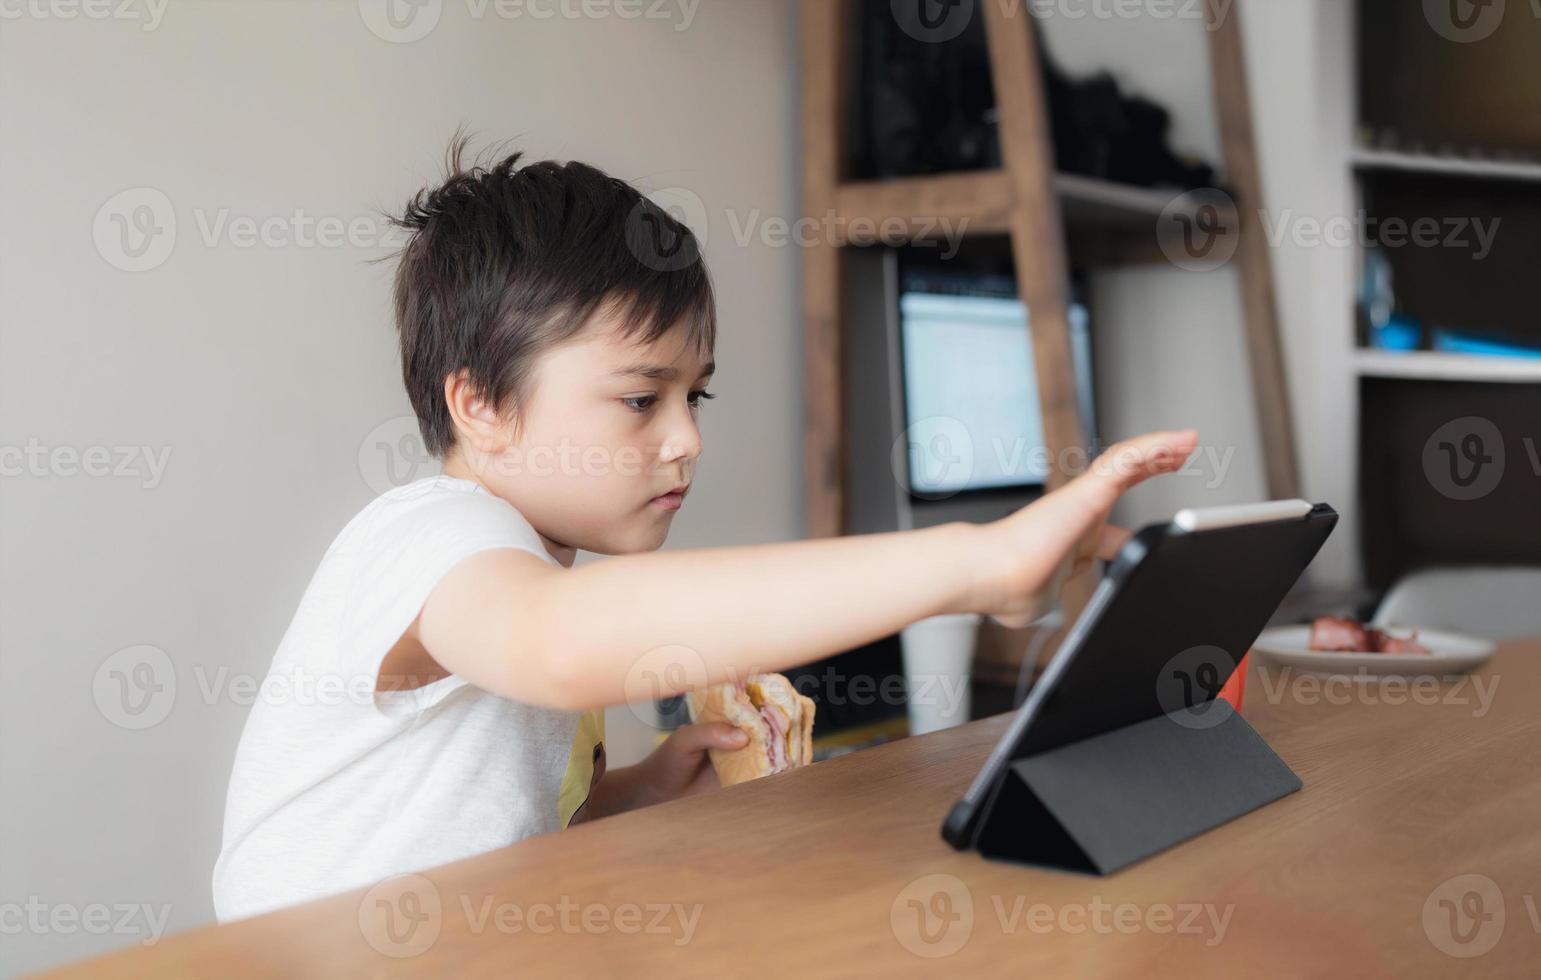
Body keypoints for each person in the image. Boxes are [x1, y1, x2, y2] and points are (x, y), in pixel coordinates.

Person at [211, 138, 1198, 921]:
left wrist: (636, 789)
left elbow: (476, 821)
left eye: (695, 394)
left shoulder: (532, 566)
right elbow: (558, 641)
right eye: (641, 398)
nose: (685, 438)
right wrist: (976, 559)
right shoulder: (428, 534)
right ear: (479, 406)